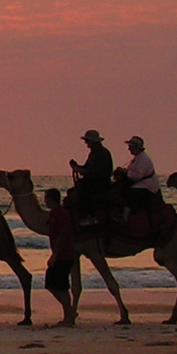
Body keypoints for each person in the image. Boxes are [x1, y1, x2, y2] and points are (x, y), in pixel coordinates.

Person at [43, 188, 77, 327]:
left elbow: (63, 236)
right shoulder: (52, 214)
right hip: (60, 255)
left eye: (46, 198)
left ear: (51, 199)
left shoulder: (62, 214)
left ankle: (68, 317)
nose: (44, 200)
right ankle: (69, 313)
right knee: (51, 284)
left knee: (62, 287)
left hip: (65, 255)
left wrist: (54, 255)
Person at [68, 129, 113, 222]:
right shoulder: (93, 153)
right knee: (73, 191)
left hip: (101, 181)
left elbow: (95, 171)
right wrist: (77, 167)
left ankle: (89, 216)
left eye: (87, 141)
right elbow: (86, 168)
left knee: (84, 192)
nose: (86, 143)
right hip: (92, 180)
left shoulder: (103, 153)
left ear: (93, 141)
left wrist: (80, 170)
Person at [117, 136, 162, 213]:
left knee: (129, 194)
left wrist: (125, 172)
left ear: (135, 148)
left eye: (130, 147)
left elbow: (137, 176)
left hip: (147, 187)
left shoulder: (144, 159)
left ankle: (125, 217)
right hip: (141, 184)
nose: (129, 149)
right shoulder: (137, 158)